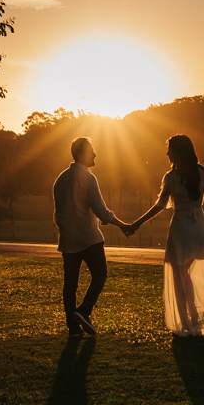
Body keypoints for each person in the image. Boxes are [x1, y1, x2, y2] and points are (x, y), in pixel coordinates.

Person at [128, 135, 204, 336]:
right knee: (190, 276)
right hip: (199, 225)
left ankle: (185, 323)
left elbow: (159, 206)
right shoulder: (201, 172)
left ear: (178, 152)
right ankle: (194, 319)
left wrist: (137, 223)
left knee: (179, 277)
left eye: (170, 149)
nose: (167, 153)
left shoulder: (171, 177)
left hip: (182, 227)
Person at [53, 137, 133, 336]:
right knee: (100, 274)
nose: (95, 154)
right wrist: (122, 225)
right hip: (88, 238)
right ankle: (84, 310)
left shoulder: (61, 179)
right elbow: (101, 210)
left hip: (68, 239)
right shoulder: (88, 178)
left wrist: (66, 228)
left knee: (70, 283)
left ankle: (73, 327)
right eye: (92, 151)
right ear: (81, 155)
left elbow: (58, 213)